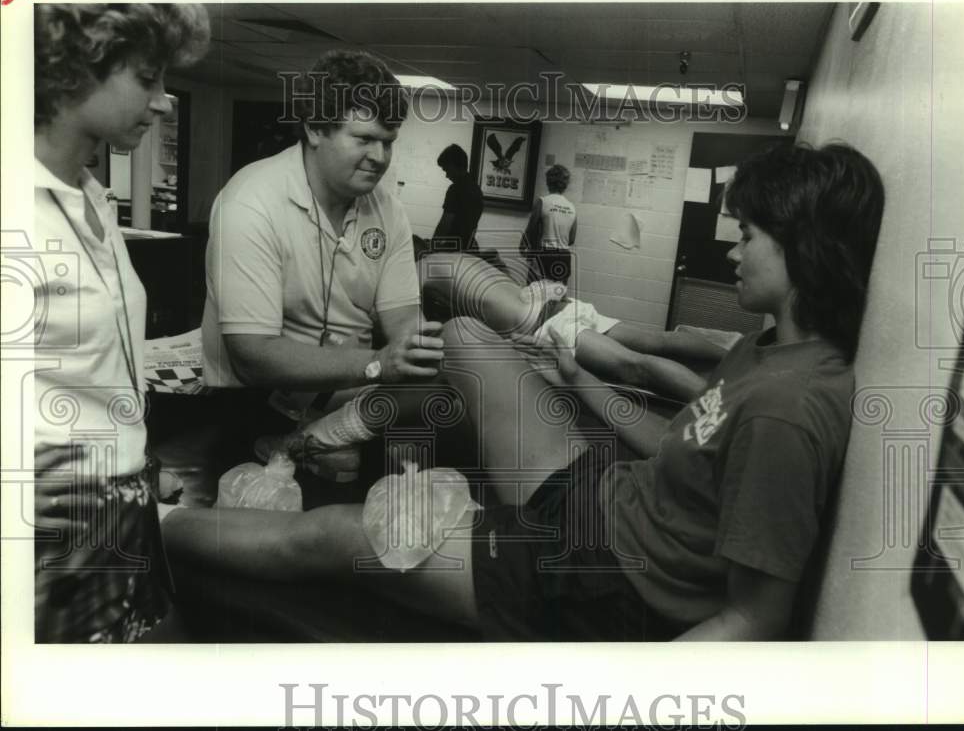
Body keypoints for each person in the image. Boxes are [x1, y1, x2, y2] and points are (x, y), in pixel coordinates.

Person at [161, 141, 884, 642]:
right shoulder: (766, 348)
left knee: (334, 537)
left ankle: (159, 522)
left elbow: (756, 619)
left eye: (749, 234)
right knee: (471, 342)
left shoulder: (790, 409)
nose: (733, 248)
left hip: (595, 578)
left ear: (802, 248)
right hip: (607, 493)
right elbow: (675, 441)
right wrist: (581, 383)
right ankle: (327, 433)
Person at [33, 3, 210, 642]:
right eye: (147, 78)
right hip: (54, 531)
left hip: (122, 501)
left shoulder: (91, 197)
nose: (164, 102)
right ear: (73, 69)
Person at [200, 49, 446, 474]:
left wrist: (409, 353)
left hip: (344, 390)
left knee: (447, 393)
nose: (380, 157)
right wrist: (376, 365)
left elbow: (401, 315)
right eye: (364, 139)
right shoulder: (251, 203)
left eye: (388, 142)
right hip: (254, 401)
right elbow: (252, 356)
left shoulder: (387, 209)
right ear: (315, 128)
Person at [418, 253, 727, 402]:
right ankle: (734, 355)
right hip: (560, 304)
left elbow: (416, 329)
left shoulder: (419, 271)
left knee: (635, 367)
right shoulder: (457, 259)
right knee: (655, 339)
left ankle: (723, 407)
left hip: (550, 324)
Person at [520, 163, 577, 285]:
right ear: (565, 185)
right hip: (564, 257)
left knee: (532, 295)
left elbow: (531, 229)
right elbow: (571, 239)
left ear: (548, 182)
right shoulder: (572, 207)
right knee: (557, 298)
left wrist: (521, 247)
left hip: (545, 254)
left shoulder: (543, 202)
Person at [430, 144, 483, 252]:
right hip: (468, 247)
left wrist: (431, 248)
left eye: (447, 170)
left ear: (454, 165)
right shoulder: (477, 189)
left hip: (451, 249)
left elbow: (445, 224)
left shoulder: (455, 190)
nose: (447, 175)